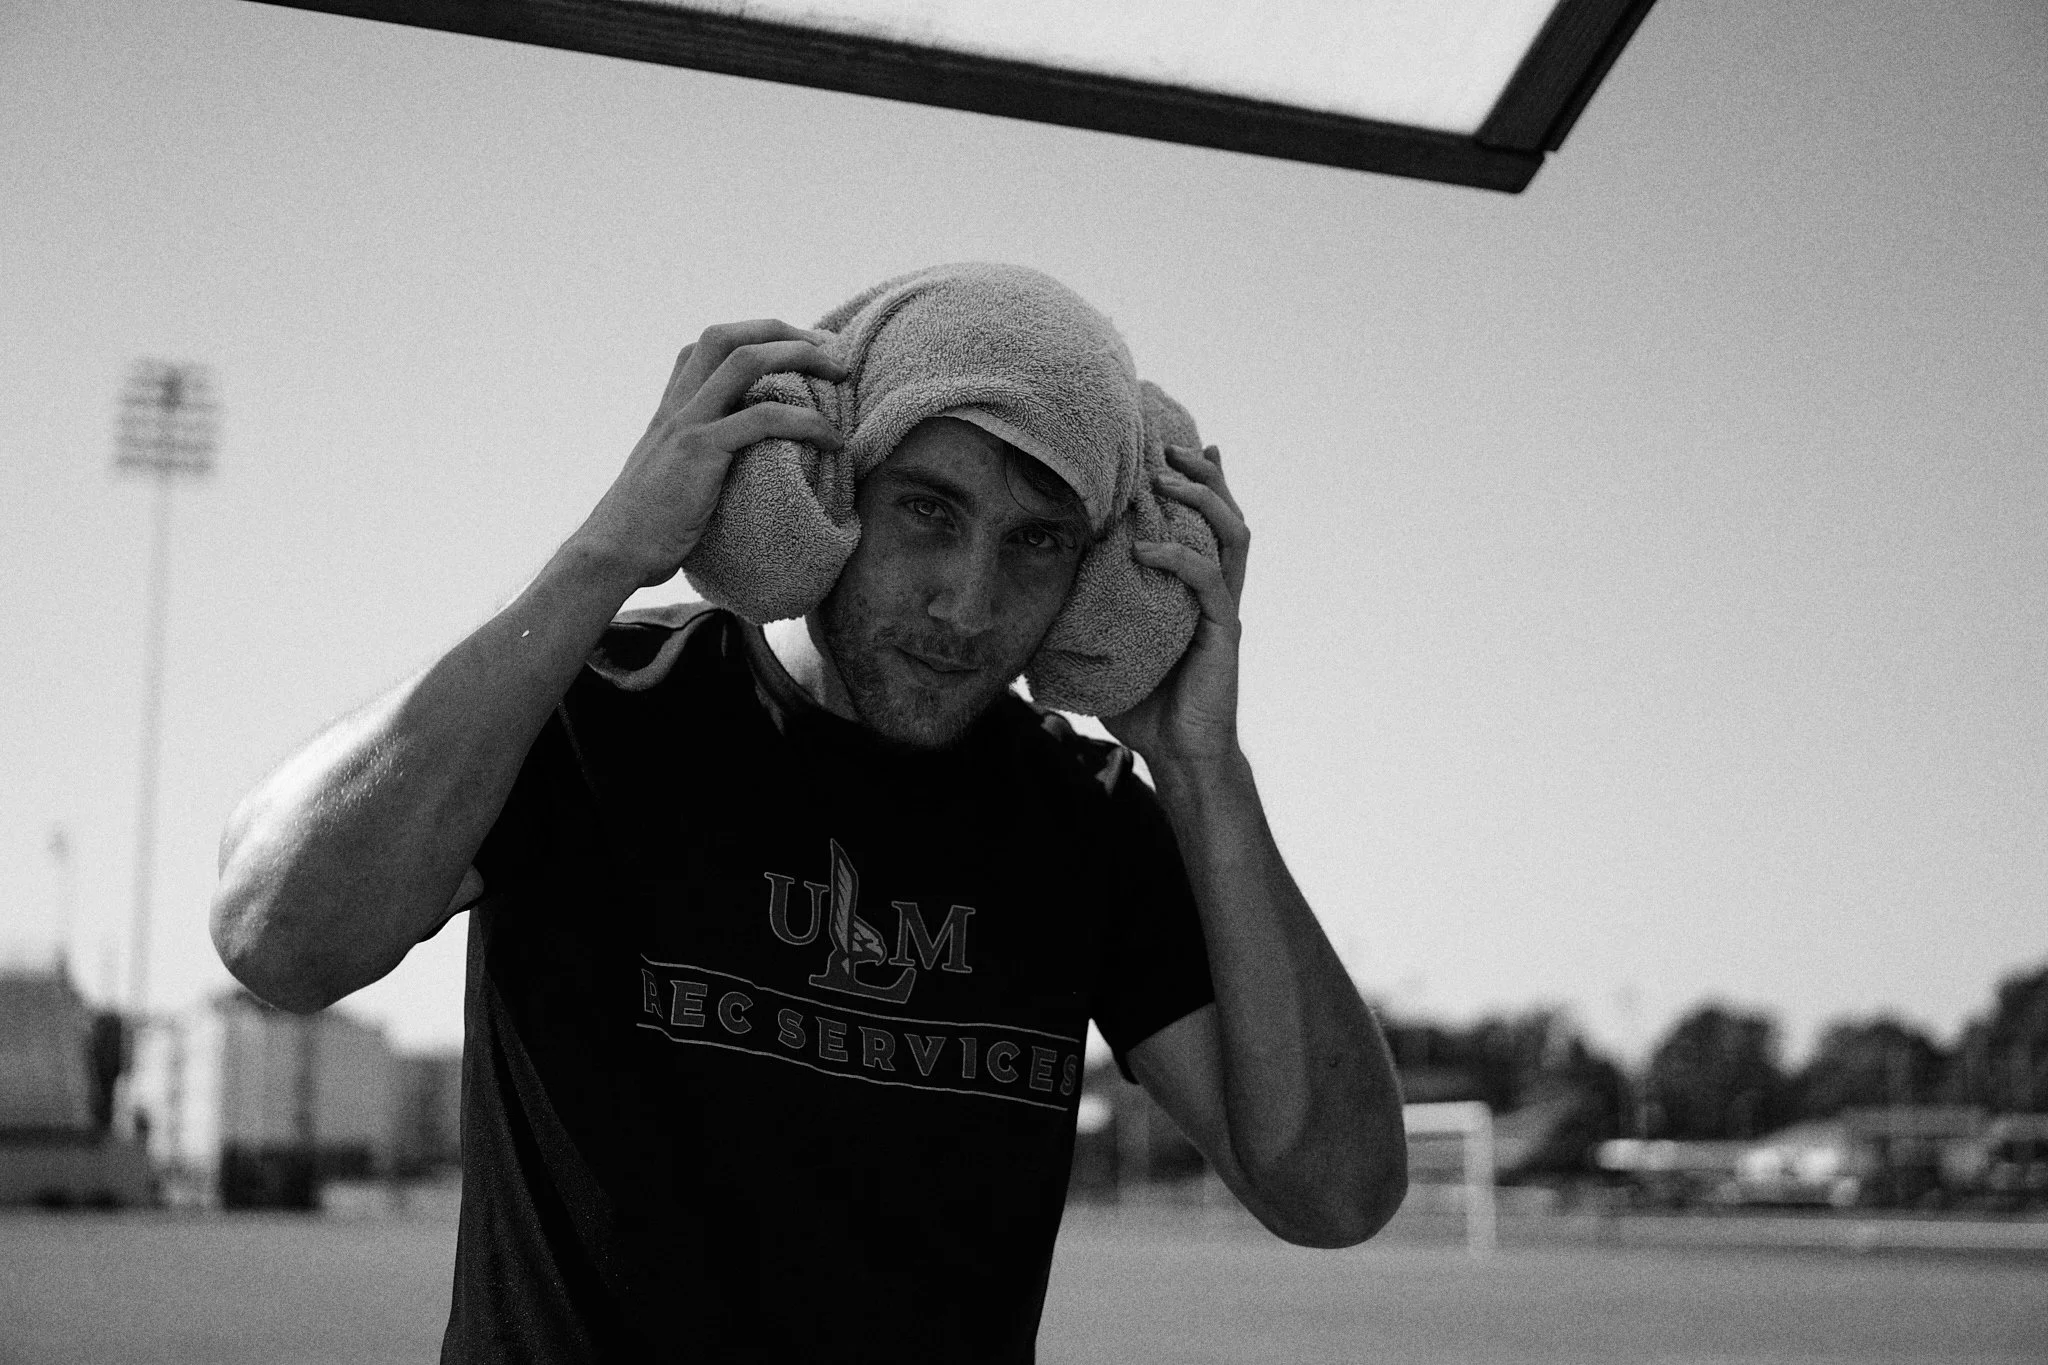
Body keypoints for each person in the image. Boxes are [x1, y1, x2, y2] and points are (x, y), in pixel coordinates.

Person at [212, 265, 1407, 1363]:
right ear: (822, 486)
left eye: (1035, 543)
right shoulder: (590, 714)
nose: (966, 603)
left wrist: (1202, 766)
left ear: (1098, 578)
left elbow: (1333, 1191)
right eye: (927, 510)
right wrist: (605, 555)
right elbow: (279, 937)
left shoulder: (1087, 821)